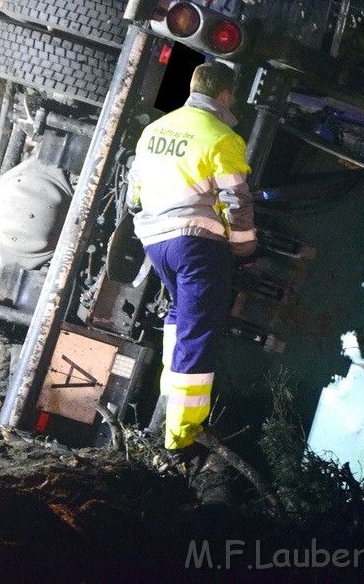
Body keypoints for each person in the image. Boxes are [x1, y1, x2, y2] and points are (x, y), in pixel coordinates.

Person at [128, 61, 257, 457]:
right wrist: (244, 247)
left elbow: (134, 190)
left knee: (180, 315)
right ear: (224, 95)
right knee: (198, 332)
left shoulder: (156, 129)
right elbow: (237, 200)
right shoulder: (222, 137)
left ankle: (171, 397)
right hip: (195, 245)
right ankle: (181, 437)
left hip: (155, 240)